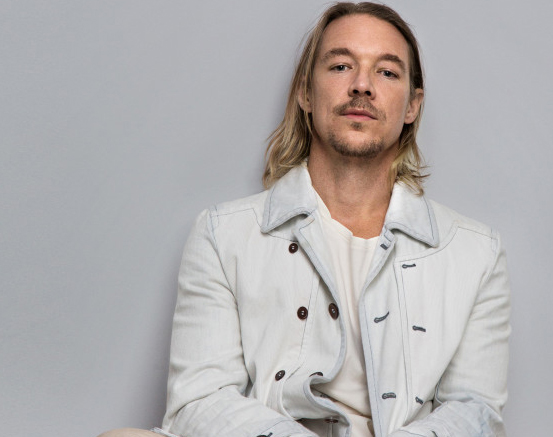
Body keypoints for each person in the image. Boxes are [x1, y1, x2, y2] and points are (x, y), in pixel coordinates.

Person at [101, 2, 510, 437]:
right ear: (305, 93)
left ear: (412, 105)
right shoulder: (223, 234)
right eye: (340, 66)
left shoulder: (475, 253)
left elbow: (475, 412)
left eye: (387, 72)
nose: (362, 85)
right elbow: (199, 402)